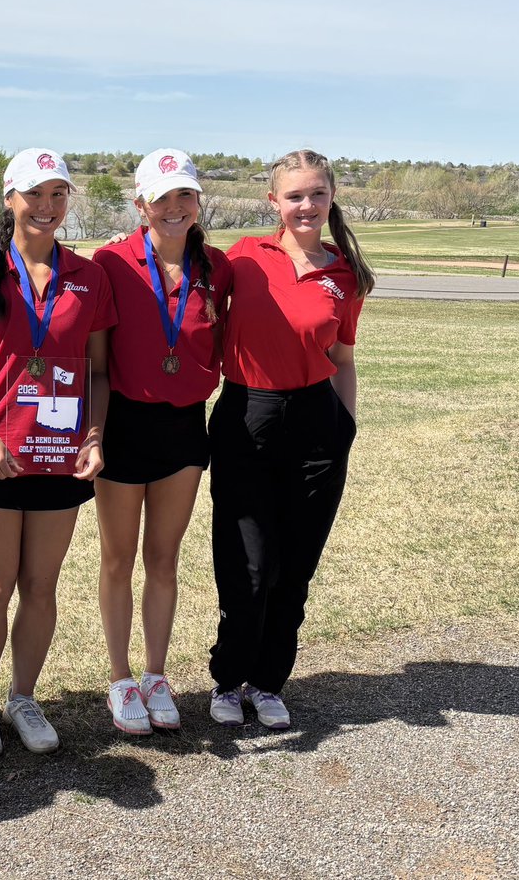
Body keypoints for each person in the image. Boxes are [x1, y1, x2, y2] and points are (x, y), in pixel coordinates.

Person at [0, 148, 115, 757]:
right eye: (34, 195)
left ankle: (24, 697)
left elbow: (97, 371)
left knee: (42, 584)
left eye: (58, 195)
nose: (46, 207)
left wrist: (94, 435)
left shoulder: (89, 278)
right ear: (10, 200)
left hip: (59, 454)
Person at [207, 148, 374, 729]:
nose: (307, 205)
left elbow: (343, 357)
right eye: (295, 195)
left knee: (295, 565)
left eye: (317, 194)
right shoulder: (244, 258)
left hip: (317, 423)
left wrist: (345, 426)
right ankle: (229, 678)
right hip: (247, 413)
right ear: (273, 201)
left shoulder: (344, 273)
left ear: (331, 198)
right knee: (248, 563)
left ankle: (269, 680)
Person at [91, 150, 232, 734]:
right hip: (124, 423)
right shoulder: (110, 262)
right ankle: (121, 678)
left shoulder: (217, 267)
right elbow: (94, 352)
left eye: (185, 197)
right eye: (162, 198)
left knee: (164, 558)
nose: (174, 209)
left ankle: (156, 673)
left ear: (198, 203)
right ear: (140, 203)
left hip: (184, 427)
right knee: (118, 557)